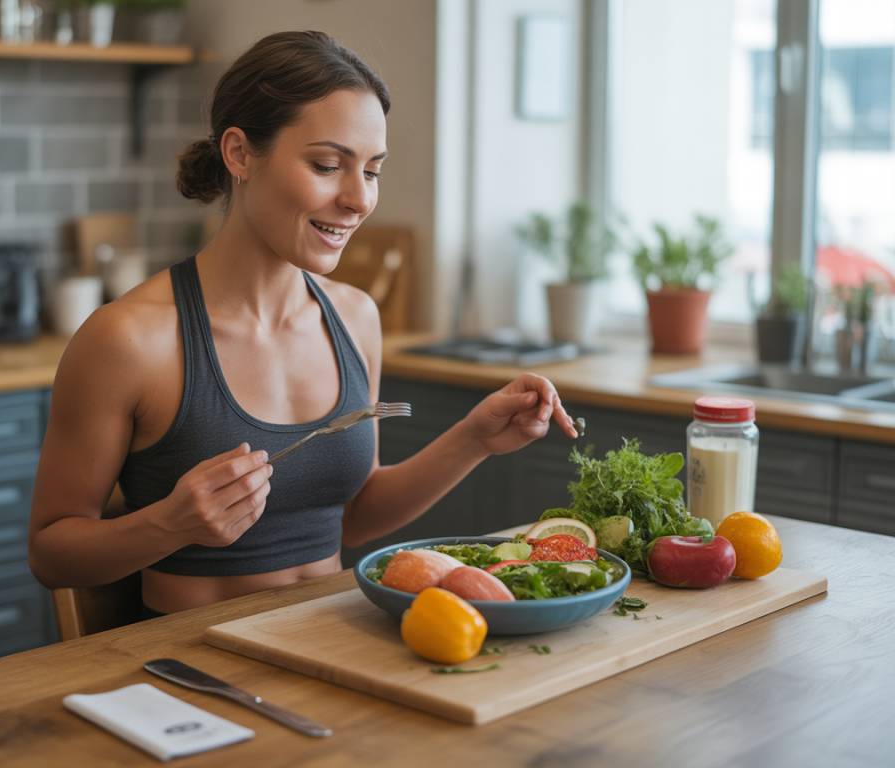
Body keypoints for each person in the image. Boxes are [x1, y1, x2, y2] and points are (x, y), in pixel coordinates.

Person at [28, 30, 578, 617]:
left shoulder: (356, 317)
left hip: (334, 640)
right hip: (191, 663)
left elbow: (353, 515)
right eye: (327, 165)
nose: (358, 199)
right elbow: (51, 553)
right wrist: (169, 525)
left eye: (371, 171)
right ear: (239, 154)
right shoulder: (129, 339)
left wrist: (473, 439)